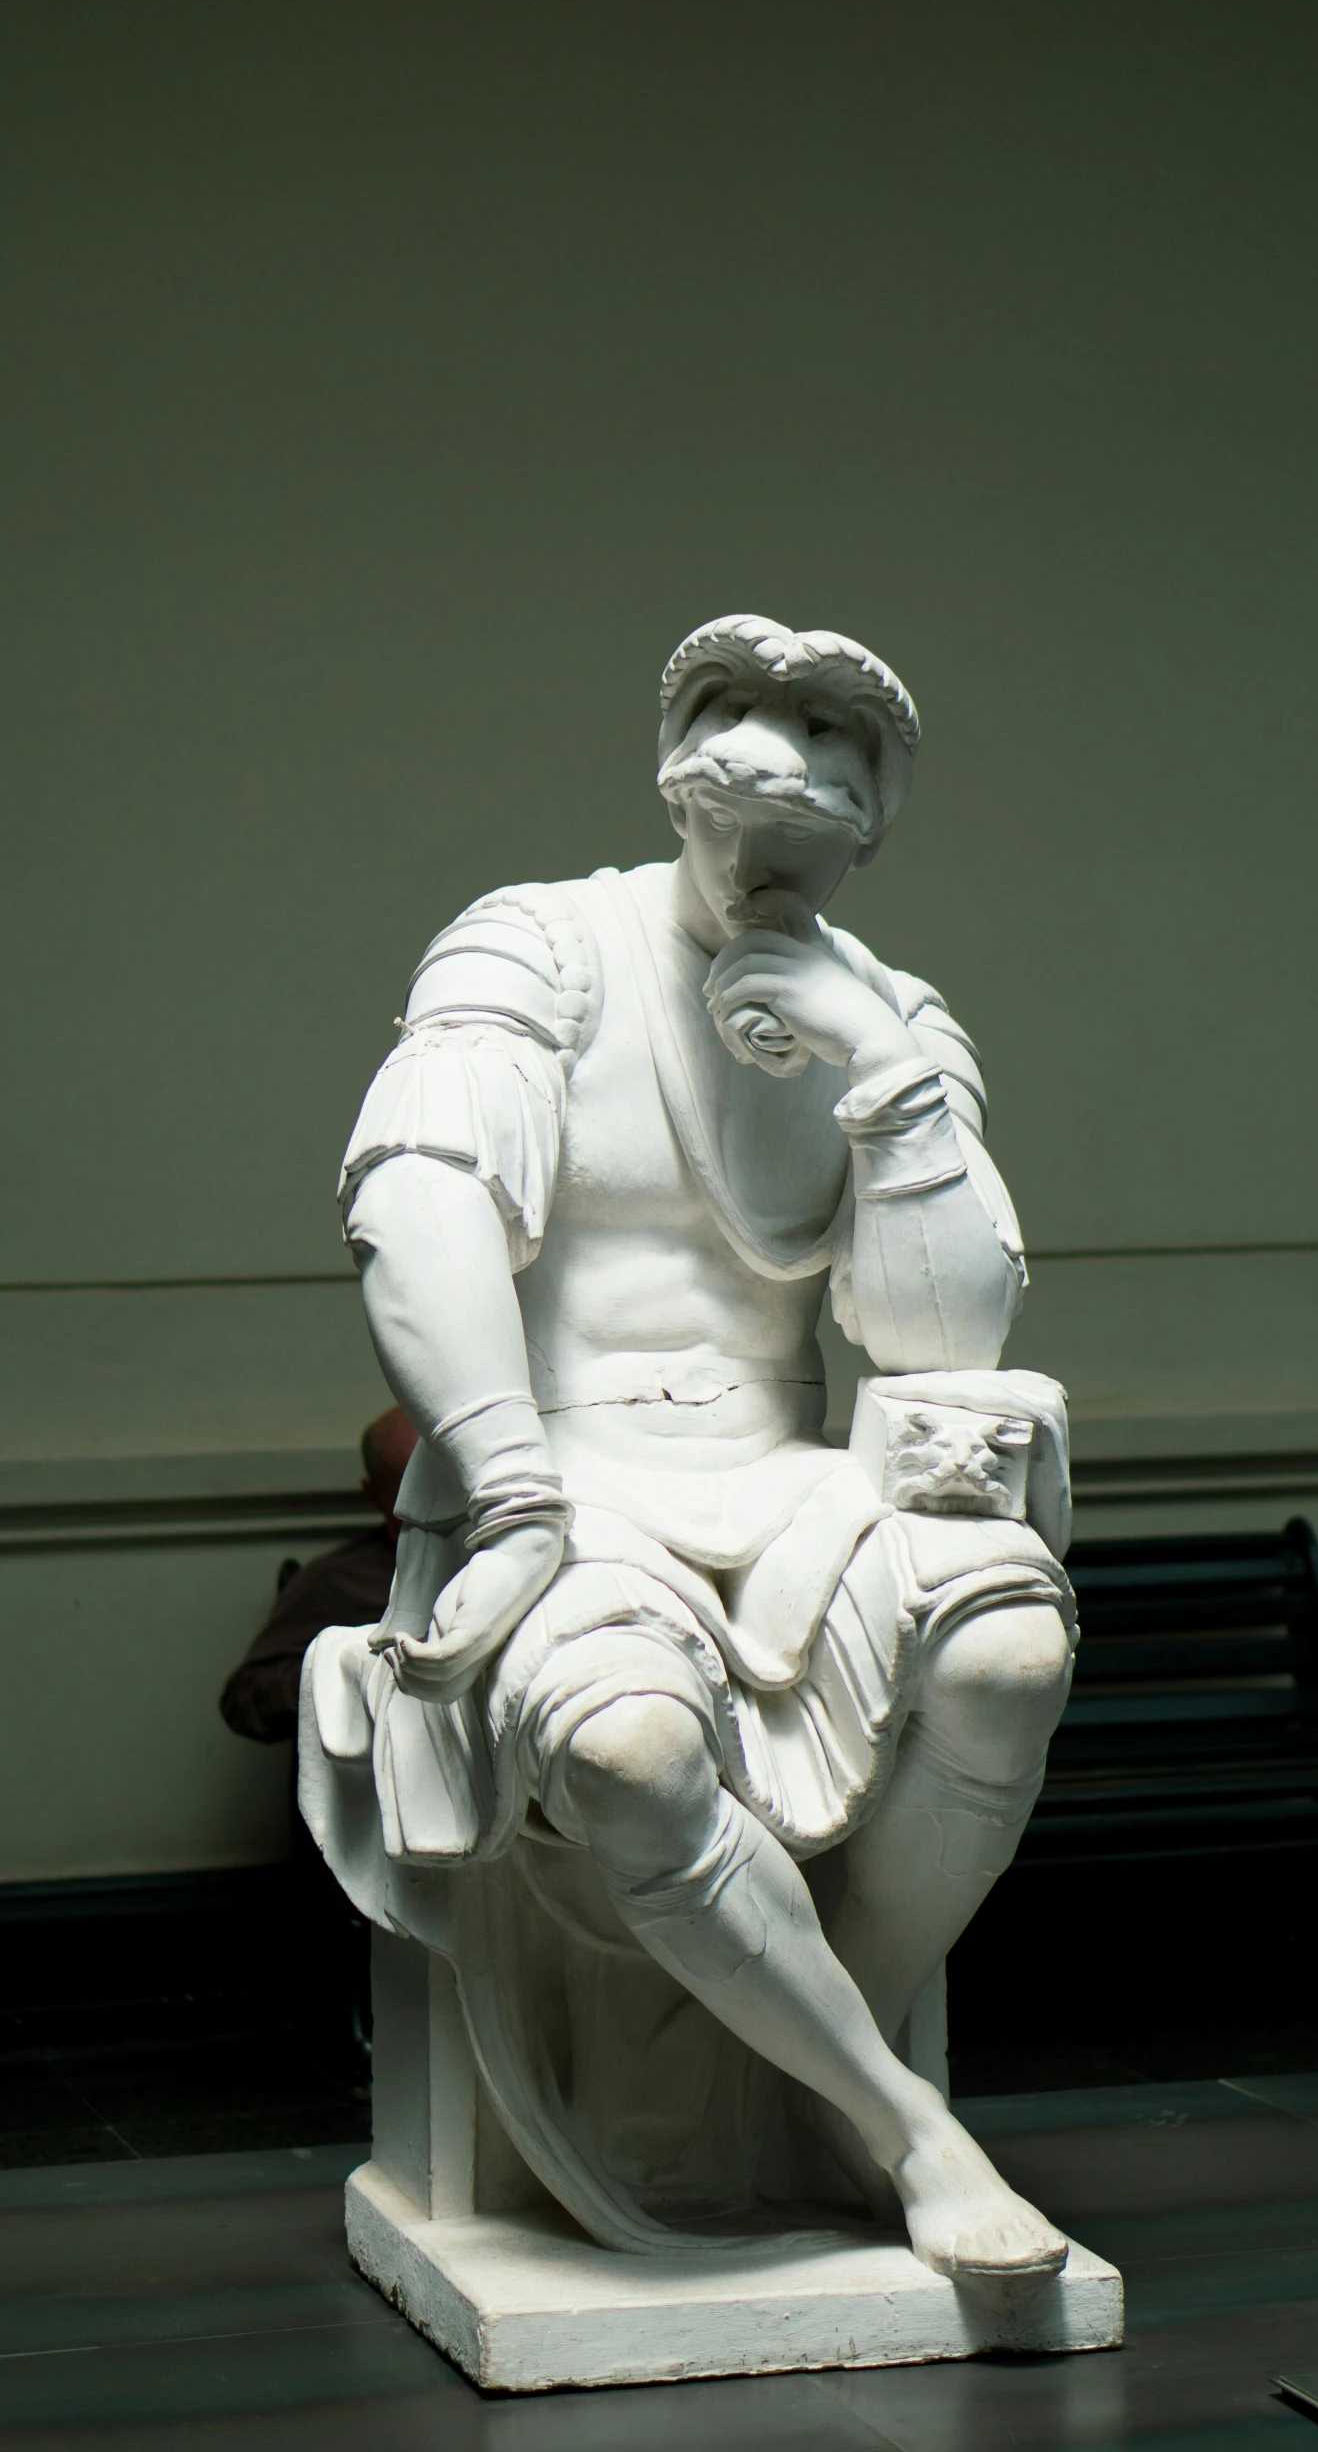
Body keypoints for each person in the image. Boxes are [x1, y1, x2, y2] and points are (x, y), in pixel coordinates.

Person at [301, 615, 1077, 2274]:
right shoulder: (542, 947)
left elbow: (944, 1334)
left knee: (1010, 1650)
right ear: (677, 768)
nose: (781, 756)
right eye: (741, 717)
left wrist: (881, 1076)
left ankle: (807, 2058)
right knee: (634, 1751)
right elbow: (418, 1189)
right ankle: (900, 2120)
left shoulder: (901, 1011)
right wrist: (507, 1478)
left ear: (876, 811)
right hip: (569, 1485)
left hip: (800, 1493)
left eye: (832, 738)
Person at [219, 1407, 418, 1741]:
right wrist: (349, 1669)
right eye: (411, 1486)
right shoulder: (335, 1581)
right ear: (375, 1495)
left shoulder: (511, 1552)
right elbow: (246, 1702)